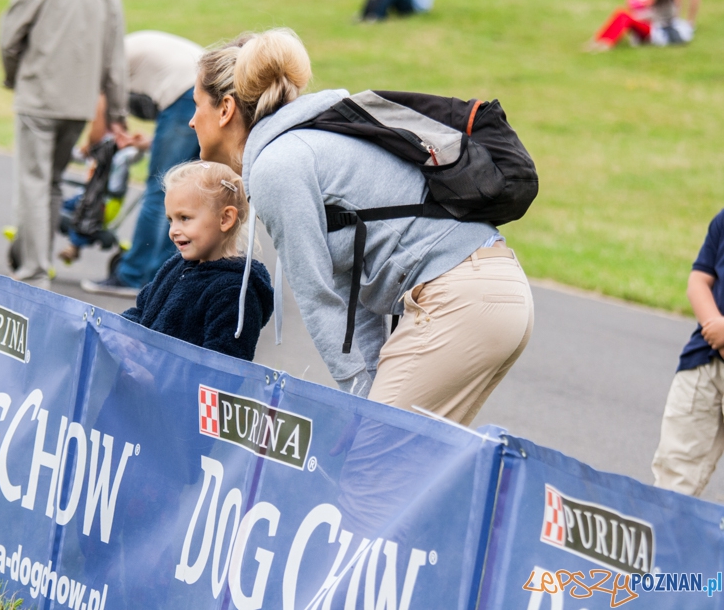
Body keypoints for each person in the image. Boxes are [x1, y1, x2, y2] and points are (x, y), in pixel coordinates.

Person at [189, 28, 533, 424]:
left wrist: (361, 402)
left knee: (371, 466)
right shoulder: (311, 142)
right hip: (494, 293)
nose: (190, 121)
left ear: (226, 109)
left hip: (458, 301)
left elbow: (319, 296)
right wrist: (366, 389)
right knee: (416, 469)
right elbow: (349, 296)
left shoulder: (277, 166)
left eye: (196, 104)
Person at [0, 0, 127, 289]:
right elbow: (116, 63)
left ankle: (34, 271)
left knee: (33, 182)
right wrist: (117, 114)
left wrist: (13, 77)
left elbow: (9, 40)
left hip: (38, 98)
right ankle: (36, 259)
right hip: (78, 105)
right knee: (51, 181)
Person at [82, 31, 205, 297]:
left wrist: (90, 150)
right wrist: (148, 142)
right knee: (190, 194)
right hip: (208, 89)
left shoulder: (107, 60)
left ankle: (134, 275)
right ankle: (167, 275)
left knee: (162, 190)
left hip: (187, 92)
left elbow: (100, 116)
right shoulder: (130, 49)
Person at [121, 161, 273, 362]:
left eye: (184, 218)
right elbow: (143, 311)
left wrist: (155, 378)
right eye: (170, 220)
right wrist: (122, 333)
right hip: (140, 383)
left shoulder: (235, 291)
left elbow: (223, 370)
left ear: (225, 219)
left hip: (172, 392)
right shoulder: (176, 266)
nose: (173, 230)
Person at [652, 209, 724, 497]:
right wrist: (713, 326)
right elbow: (699, 280)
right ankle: (668, 538)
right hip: (704, 359)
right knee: (675, 472)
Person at [587, 0, 656, 51]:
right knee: (620, 13)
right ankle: (600, 39)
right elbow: (631, 4)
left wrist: (637, 15)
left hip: (650, 28)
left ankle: (607, 42)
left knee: (625, 16)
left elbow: (653, 15)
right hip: (639, 21)